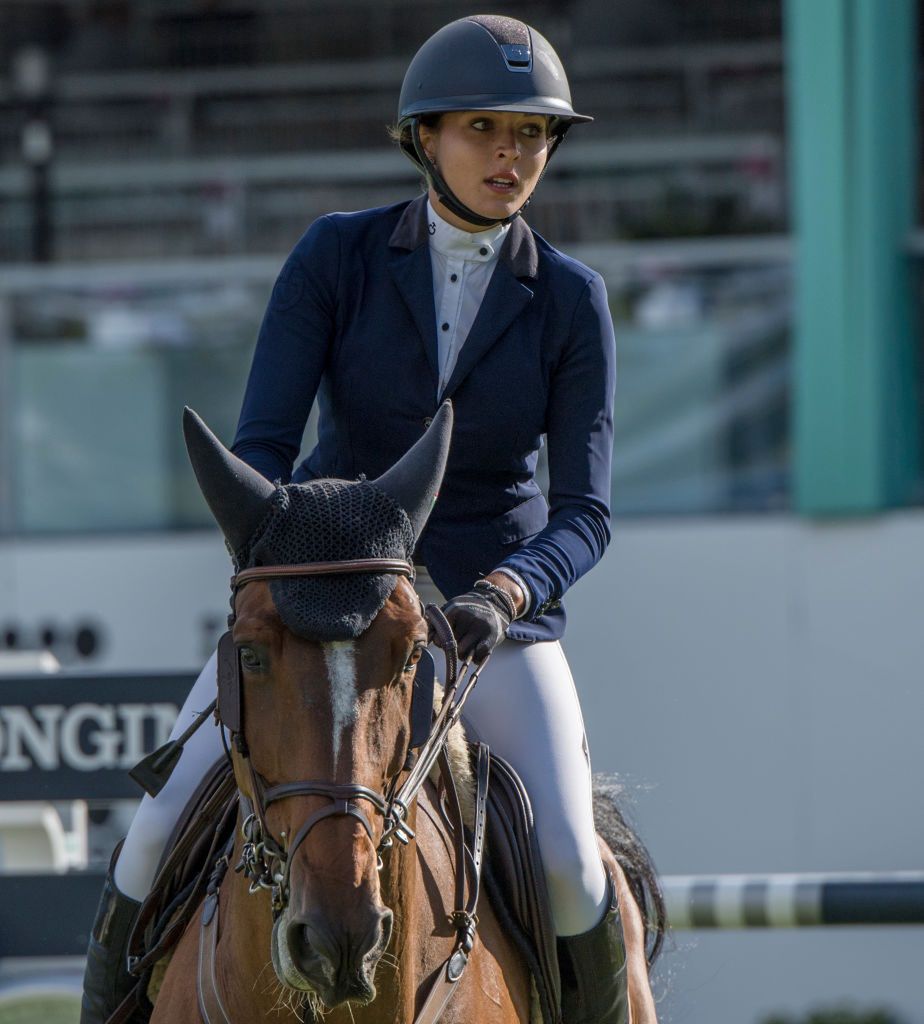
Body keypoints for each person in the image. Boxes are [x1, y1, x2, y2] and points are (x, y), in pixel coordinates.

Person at [82, 14, 627, 1024]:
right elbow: (264, 450)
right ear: (425, 136)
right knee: (156, 827)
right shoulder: (335, 255)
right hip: (325, 605)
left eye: (534, 135)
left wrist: (508, 590)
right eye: (486, 129)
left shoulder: (570, 299)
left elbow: (587, 510)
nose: (514, 155)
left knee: (569, 864)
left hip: (480, 624)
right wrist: (277, 572)